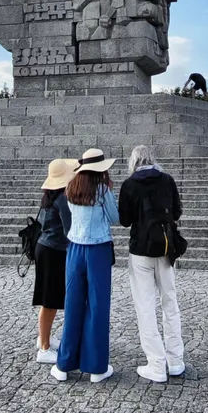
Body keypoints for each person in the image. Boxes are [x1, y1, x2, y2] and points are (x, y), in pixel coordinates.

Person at [51, 149, 119, 384]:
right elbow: (115, 217)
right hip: (97, 249)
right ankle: (96, 367)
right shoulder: (102, 190)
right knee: (98, 307)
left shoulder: (70, 188)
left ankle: (64, 364)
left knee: (72, 304)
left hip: (75, 249)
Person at [118, 146, 185, 384]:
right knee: (170, 301)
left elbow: (124, 220)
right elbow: (177, 211)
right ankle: (175, 360)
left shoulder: (129, 185)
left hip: (140, 251)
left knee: (145, 306)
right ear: (152, 159)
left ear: (133, 162)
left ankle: (156, 363)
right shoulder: (167, 180)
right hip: (166, 248)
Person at [33, 159, 78, 364]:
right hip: (53, 250)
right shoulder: (62, 199)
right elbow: (69, 229)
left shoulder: (48, 197)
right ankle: (43, 347)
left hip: (45, 247)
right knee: (49, 301)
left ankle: (45, 338)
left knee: (49, 298)